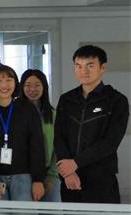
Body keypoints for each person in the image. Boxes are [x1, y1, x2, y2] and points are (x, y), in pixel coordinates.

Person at [54, 45, 129, 204]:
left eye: (90, 65)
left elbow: (111, 142)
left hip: (102, 179)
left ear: (103, 68)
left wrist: (76, 163)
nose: (83, 71)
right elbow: (59, 137)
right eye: (78, 66)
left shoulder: (117, 100)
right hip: (71, 179)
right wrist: (68, 172)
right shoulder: (66, 100)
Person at [0, 65, 46, 201]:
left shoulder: (27, 109)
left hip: (23, 176)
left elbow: (36, 145)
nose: (4, 85)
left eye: (9, 80)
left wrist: (38, 179)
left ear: (16, 83)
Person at [21, 69, 60, 202]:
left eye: (37, 85)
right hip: (23, 175)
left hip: (48, 174)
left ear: (44, 87)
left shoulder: (53, 115)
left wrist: (52, 175)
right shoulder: (16, 113)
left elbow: (59, 146)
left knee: (52, 213)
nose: (32, 89)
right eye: (28, 85)